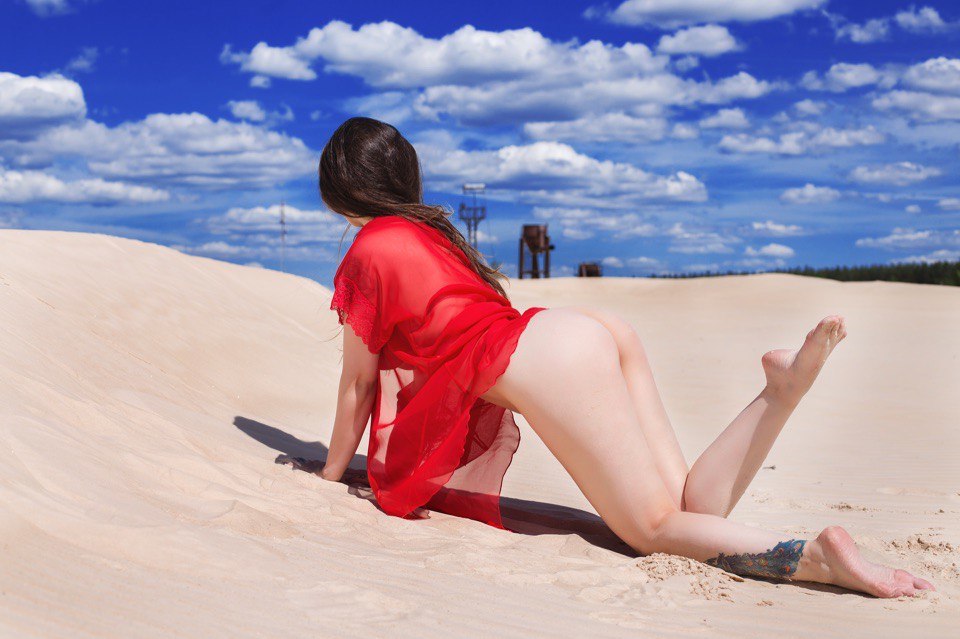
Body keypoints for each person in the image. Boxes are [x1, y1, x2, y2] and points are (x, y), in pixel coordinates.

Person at [313, 116, 935, 599]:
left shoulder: (371, 248)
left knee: (649, 531)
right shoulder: (436, 235)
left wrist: (329, 478)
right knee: (692, 511)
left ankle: (815, 557)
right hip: (584, 331)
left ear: (341, 186)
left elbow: (358, 386)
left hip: (544, 357)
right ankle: (779, 393)